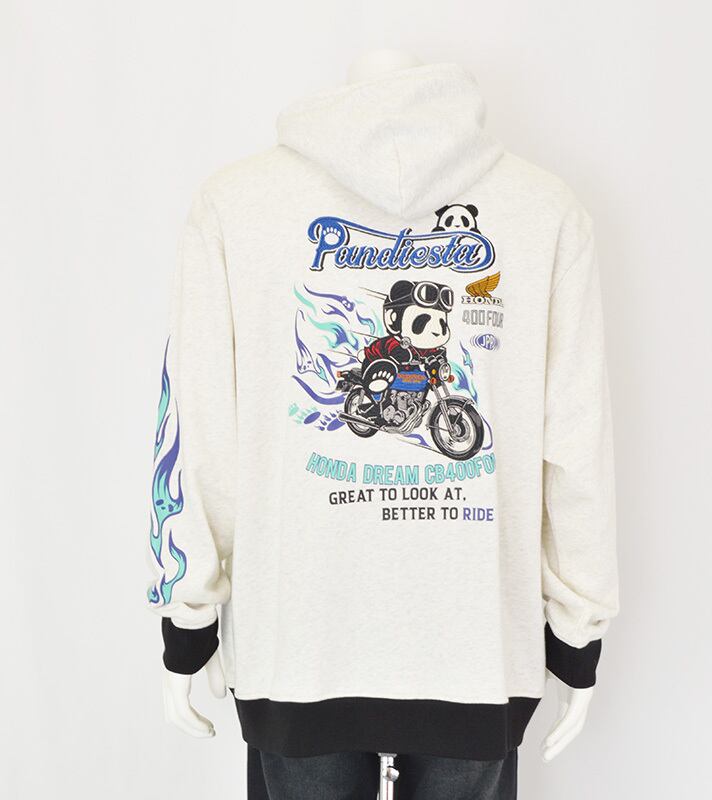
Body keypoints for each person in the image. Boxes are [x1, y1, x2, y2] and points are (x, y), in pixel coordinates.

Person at [147, 53, 618, 800]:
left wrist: (188, 613)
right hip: (475, 650)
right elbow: (577, 442)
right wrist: (577, 626)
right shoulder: (545, 208)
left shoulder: (235, 202)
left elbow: (199, 433)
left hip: (297, 647)